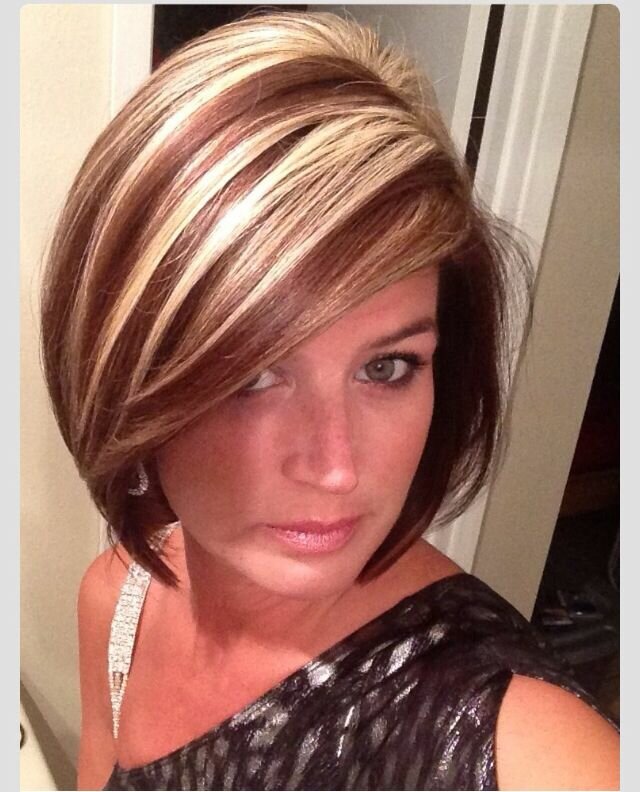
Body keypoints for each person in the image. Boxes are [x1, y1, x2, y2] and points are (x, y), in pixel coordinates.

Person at [40, 10, 619, 791]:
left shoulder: (515, 742)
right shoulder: (118, 604)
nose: (337, 467)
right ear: (126, 380)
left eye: (387, 367)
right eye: (253, 376)